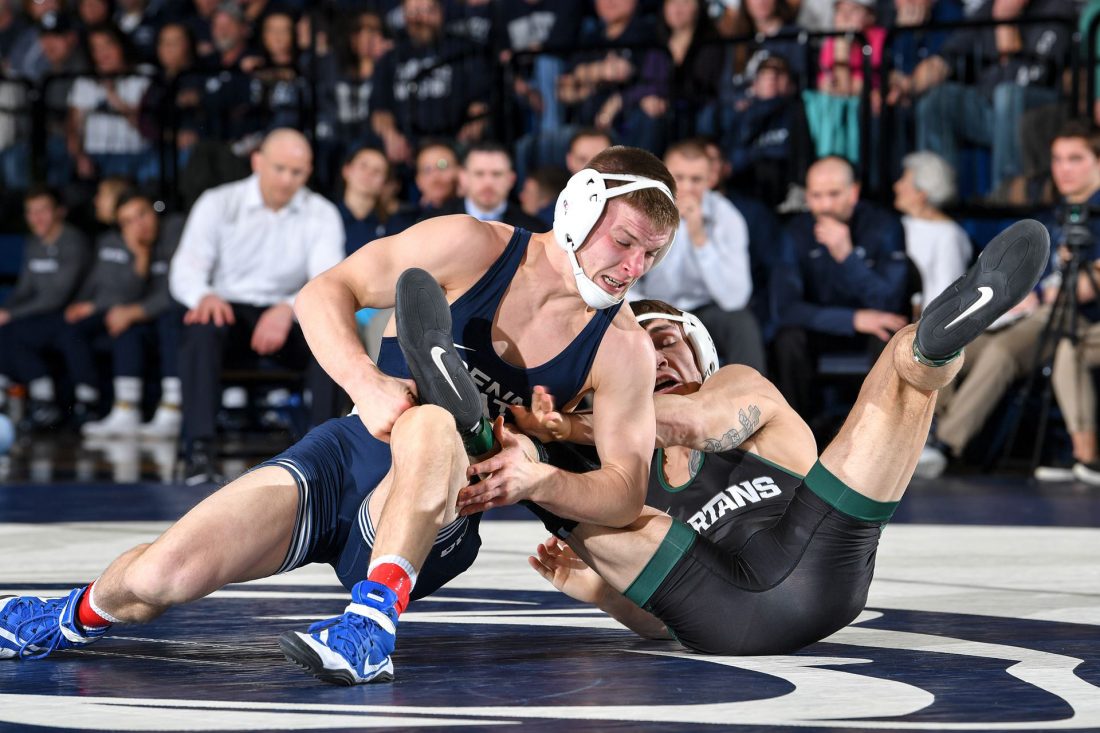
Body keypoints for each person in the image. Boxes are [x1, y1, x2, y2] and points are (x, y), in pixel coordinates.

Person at [0, 146, 681, 688]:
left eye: (650, 255)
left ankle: (371, 625)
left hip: (435, 509)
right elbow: (324, 292)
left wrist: (542, 481)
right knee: (161, 575)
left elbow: (625, 490)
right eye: (625, 242)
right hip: (349, 454)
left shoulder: (620, 347)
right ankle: (63, 615)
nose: (632, 267)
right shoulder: (471, 245)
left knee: (432, 424)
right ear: (580, 207)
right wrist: (365, 380)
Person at [520, 220, 1049, 654]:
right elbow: (662, 624)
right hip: (720, 619)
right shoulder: (618, 479)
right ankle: (496, 443)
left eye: (663, 341)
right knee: (564, 488)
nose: (653, 360)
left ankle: (932, 349)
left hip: (815, 558)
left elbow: (699, 423)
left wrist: (573, 424)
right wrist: (604, 596)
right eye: (634, 357)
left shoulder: (738, 385)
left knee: (903, 358)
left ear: (700, 351)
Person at [919, 121, 1100, 478]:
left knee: (1001, 354)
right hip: (1027, 313)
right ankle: (924, 433)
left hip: (1075, 318)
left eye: (1075, 159)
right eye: (1057, 159)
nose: (1064, 168)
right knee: (955, 345)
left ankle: (947, 442)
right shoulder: (1053, 215)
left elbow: (1085, 287)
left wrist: (1038, 295)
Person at [168, 128, 345, 481]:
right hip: (229, 312)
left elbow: (326, 282)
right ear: (257, 162)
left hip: (289, 316)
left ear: (308, 172)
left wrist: (288, 309)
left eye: (296, 172)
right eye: (280, 168)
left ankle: (323, 452)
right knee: (201, 327)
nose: (287, 179)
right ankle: (199, 450)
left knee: (332, 336)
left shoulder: (322, 213)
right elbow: (185, 269)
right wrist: (204, 296)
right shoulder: (218, 202)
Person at [771, 155, 909, 420]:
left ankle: (878, 429)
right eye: (816, 196)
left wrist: (846, 256)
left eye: (834, 194)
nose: (825, 205)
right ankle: (797, 430)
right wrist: (853, 319)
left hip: (872, 331)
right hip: (821, 327)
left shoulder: (883, 226)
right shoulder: (796, 232)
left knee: (890, 334)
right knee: (788, 338)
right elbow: (785, 309)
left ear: (853, 192)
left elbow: (889, 302)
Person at [630, 138, 766, 372]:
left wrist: (699, 237)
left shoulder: (727, 217)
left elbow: (735, 299)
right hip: (653, 308)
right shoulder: (642, 210)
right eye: (679, 177)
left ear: (711, 179)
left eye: (696, 179)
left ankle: (751, 393)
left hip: (706, 311)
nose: (687, 187)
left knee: (742, 324)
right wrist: (644, 309)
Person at [68, 190, 186, 439]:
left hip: (179, 315)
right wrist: (140, 257)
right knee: (124, 324)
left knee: (168, 320)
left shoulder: (175, 230)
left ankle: (173, 409)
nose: (138, 225)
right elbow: (126, 299)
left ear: (155, 210)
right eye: (128, 221)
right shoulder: (129, 243)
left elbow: (179, 290)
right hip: (149, 320)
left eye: (142, 214)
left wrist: (136, 311)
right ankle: (126, 409)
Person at [0, 186, 91, 429]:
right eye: (31, 212)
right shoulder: (34, 243)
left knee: (15, 330)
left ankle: (43, 400)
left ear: (59, 211)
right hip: (39, 316)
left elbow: (58, 297)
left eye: (43, 211)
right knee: (6, 329)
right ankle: (28, 397)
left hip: (69, 315)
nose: (36, 218)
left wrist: (10, 314)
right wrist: (4, 311)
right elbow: (23, 290)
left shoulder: (73, 242)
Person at [893, 151, 972, 316]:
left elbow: (945, 299)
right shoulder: (898, 225)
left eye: (904, 181)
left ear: (922, 193)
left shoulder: (949, 235)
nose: (896, 186)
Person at [424, 141, 546, 231]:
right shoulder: (435, 224)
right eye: (479, 174)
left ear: (511, 179)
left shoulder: (534, 231)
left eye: (497, 174)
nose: (488, 182)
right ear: (463, 178)